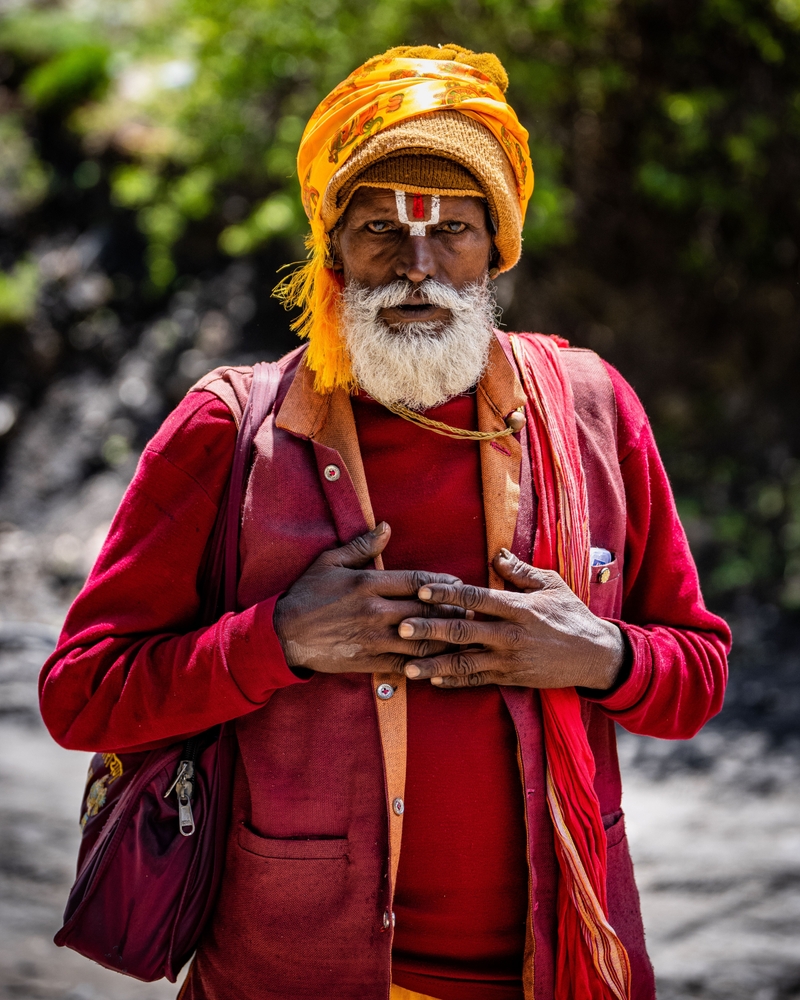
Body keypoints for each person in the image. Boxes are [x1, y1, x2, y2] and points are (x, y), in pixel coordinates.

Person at [40, 44, 730, 1000]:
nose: (417, 264)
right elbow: (82, 695)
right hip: (289, 975)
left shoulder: (593, 411)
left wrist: (599, 653)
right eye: (379, 230)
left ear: (499, 246)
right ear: (331, 249)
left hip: (562, 967)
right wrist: (278, 638)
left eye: (450, 229)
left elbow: (696, 676)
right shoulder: (230, 427)